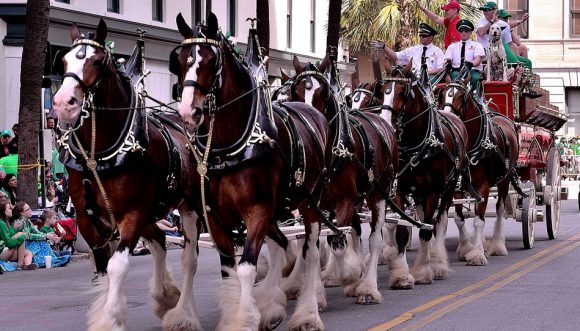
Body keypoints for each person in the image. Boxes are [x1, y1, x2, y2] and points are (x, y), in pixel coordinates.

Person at [371, 23, 445, 81]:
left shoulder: (438, 51)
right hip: (412, 77)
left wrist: (425, 73)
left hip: (429, 78)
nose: (421, 37)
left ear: (431, 38)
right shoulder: (413, 49)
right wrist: (384, 47)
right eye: (420, 35)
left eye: (424, 35)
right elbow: (395, 56)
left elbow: (440, 69)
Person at [12, 202, 70, 268]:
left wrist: (49, 236)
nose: (30, 210)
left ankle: (51, 258)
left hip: (26, 245)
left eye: (30, 208)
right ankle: (47, 260)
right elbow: (27, 236)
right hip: (18, 248)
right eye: (28, 210)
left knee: (42, 241)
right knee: (40, 242)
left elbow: (37, 233)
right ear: (21, 213)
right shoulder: (19, 222)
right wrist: (45, 236)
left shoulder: (28, 221)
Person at [444, 19, 485, 93]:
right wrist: (448, 63)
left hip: (472, 70)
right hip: (457, 70)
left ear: (470, 32)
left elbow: (477, 59)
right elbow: (447, 59)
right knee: (455, 78)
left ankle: (473, 98)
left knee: (475, 78)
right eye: (461, 31)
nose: (463, 33)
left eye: (466, 30)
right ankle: (457, 99)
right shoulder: (452, 46)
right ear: (458, 32)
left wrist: (471, 64)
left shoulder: (476, 45)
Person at [0, 198, 37, 271]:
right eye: (9, 208)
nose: (11, 210)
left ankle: (25, 265)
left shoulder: (5, 221)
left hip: (6, 251)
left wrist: (15, 230)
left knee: (28, 253)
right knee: (21, 235)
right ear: (2, 211)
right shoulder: (1, 223)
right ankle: (20, 265)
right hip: (2, 253)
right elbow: (8, 243)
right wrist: (22, 236)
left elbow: (9, 236)